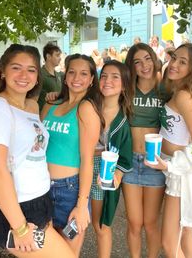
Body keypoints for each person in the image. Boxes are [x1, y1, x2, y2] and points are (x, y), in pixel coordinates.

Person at [0, 44, 74, 258]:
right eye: (16, 68)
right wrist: (20, 227)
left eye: (31, 70)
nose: (24, 75)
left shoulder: (31, 106)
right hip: (17, 210)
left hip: (40, 200)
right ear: (3, 71)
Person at [146, 43, 192, 258]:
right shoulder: (180, 92)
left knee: (169, 241)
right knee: (185, 231)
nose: (173, 64)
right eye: (174, 57)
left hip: (181, 175)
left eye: (182, 62)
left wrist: (171, 165)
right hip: (177, 170)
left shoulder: (185, 96)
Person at [41, 54, 102, 257]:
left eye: (84, 73)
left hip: (69, 190)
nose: (77, 78)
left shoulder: (86, 108)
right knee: (43, 250)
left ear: (92, 79)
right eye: (72, 72)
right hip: (40, 187)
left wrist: (82, 204)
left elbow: (87, 160)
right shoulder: (50, 105)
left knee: (67, 252)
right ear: (65, 76)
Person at [122, 43, 167, 258]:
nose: (144, 65)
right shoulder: (126, 90)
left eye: (147, 58)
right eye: (137, 62)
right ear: (132, 66)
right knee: (134, 223)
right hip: (130, 162)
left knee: (150, 223)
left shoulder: (166, 89)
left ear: (154, 59)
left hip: (154, 163)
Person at [90, 60, 133, 258]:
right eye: (104, 75)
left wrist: (116, 176)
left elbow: (125, 158)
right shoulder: (88, 105)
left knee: (100, 225)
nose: (108, 80)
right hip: (78, 169)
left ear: (124, 85)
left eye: (115, 77)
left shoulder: (125, 119)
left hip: (103, 173)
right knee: (73, 220)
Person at [38, 42, 63, 111]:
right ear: (48, 56)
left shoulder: (60, 75)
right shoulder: (38, 74)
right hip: (43, 114)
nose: (60, 58)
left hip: (57, 113)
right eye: (57, 55)